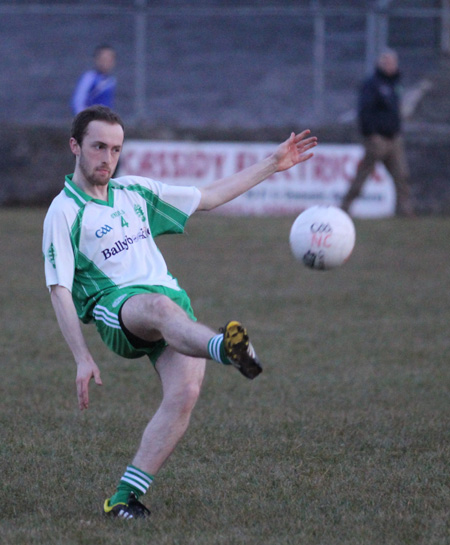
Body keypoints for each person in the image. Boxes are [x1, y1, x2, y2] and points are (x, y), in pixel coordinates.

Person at [42, 105, 317, 519]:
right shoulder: (63, 212)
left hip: (171, 306)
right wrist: (82, 357)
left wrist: (272, 164)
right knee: (158, 306)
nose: (107, 158)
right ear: (75, 146)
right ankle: (225, 349)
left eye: (116, 149)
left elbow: (207, 198)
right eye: (98, 147)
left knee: (184, 394)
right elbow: (59, 289)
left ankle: (123, 498)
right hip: (118, 310)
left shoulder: (134, 191)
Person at [341, 49, 415, 217]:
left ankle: (404, 211)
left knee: (402, 176)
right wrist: (371, 134)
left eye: (392, 62)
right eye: (386, 62)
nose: (390, 66)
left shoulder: (396, 84)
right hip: (377, 139)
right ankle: (344, 207)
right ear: (379, 64)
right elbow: (364, 111)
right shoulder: (372, 84)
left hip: (394, 138)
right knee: (363, 175)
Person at [71, 45, 117, 115]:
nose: (106, 62)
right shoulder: (89, 78)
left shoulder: (111, 81)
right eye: (103, 59)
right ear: (97, 60)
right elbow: (78, 102)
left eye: (109, 59)